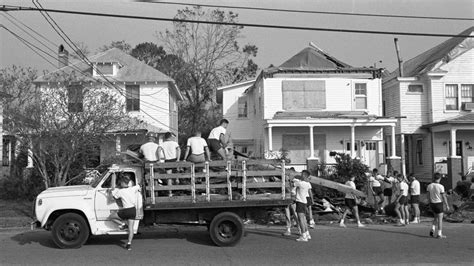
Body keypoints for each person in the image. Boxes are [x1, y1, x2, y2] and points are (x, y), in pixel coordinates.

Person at [111, 174, 141, 250]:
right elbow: (139, 185)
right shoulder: (133, 188)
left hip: (126, 210)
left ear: (123, 183)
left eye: (121, 183)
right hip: (133, 210)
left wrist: (111, 190)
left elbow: (114, 197)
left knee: (112, 217)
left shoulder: (120, 191)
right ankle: (129, 244)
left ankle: (123, 224)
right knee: (131, 229)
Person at [427, 173, 450, 238]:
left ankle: (433, 228)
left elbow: (428, 195)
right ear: (440, 178)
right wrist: (447, 205)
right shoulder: (441, 186)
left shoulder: (429, 186)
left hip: (432, 203)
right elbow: (443, 196)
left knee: (435, 217)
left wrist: (429, 203)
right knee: (440, 219)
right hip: (439, 203)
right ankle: (439, 234)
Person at [292, 170, 312, 242]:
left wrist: (292, 179)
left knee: (301, 219)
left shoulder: (300, 183)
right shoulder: (307, 184)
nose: (301, 175)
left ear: (304, 175)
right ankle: (306, 233)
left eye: (302, 174)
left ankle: (303, 236)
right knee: (303, 219)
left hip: (300, 202)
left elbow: (292, 183)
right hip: (304, 202)